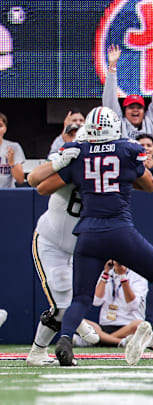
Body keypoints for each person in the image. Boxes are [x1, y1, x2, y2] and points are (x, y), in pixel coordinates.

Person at [31, 106, 153, 366]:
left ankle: (64, 339)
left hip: (86, 235)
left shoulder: (78, 155)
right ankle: (148, 327)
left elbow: (40, 186)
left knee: (79, 299)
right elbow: (151, 185)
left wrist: (65, 162)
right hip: (117, 230)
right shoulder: (127, 150)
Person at [25, 131, 101, 366]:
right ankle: (77, 324)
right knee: (63, 302)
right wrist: (59, 162)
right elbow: (35, 182)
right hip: (52, 242)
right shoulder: (72, 162)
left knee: (66, 306)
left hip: (80, 248)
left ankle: (37, 353)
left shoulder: (108, 169)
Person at [102, 44, 153, 142]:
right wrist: (112, 66)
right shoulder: (118, 123)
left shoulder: (150, 124)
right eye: (131, 107)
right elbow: (109, 99)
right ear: (125, 111)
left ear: (144, 111)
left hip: (148, 157)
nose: (135, 110)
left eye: (139, 107)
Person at [79, 260, 148, 347]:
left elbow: (132, 305)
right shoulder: (106, 273)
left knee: (139, 325)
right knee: (77, 320)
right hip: (105, 326)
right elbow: (96, 301)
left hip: (128, 326)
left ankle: (100, 341)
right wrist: (105, 274)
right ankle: (120, 342)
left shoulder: (138, 276)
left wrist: (123, 277)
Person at [0, 112, 25, 188]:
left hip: (7, 193)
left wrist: (12, 163)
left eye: (0, 126)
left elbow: (20, 180)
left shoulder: (13, 147)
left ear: (5, 129)